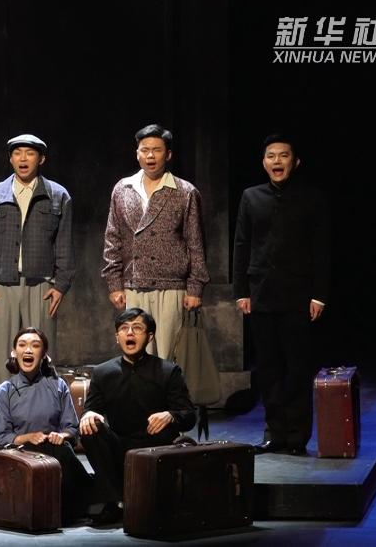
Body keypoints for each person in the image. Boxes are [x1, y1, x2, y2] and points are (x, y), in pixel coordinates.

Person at [234, 133, 330, 456]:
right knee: (268, 368)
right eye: (271, 156)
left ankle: (297, 437)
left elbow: (321, 250)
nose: (277, 161)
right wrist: (241, 291)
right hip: (261, 295)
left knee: (297, 368)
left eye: (283, 155)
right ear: (264, 162)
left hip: (298, 296)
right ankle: (274, 433)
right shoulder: (251, 197)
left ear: (295, 162)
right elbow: (242, 244)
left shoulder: (312, 198)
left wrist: (319, 295)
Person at [0, 134, 74, 395]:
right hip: (2, 287)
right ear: (10, 159)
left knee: (42, 358)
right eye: (17, 153)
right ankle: (5, 418)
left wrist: (61, 285)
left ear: (41, 159)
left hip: (41, 286)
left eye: (29, 153)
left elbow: (64, 245)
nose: (23, 159)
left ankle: (44, 414)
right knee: (4, 360)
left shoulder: (57, 195)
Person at [101, 124, 208, 358]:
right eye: (145, 150)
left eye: (157, 150)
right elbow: (113, 238)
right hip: (134, 285)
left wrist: (195, 288)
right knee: (136, 354)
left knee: (168, 356)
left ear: (168, 155)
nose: (150, 155)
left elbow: (196, 243)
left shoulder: (185, 191)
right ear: (137, 153)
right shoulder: (123, 189)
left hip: (172, 286)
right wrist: (114, 283)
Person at [79, 308, 196, 521]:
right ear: (117, 337)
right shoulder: (103, 372)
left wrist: (170, 415)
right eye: (124, 328)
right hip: (119, 444)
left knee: (166, 434)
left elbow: (189, 416)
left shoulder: (168, 371)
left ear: (149, 337)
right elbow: (92, 409)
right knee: (90, 430)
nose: (130, 333)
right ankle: (114, 501)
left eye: (137, 328)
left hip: (154, 445)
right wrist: (89, 415)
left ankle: (148, 499)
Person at [0, 327, 91, 525]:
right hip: (21, 452)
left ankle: (67, 511)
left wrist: (61, 435)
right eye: (22, 345)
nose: (28, 350)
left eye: (35, 345)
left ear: (44, 354)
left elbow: (72, 427)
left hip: (54, 449)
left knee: (62, 449)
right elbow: (1, 436)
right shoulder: (5, 390)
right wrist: (29, 437)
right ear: (14, 352)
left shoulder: (57, 385)